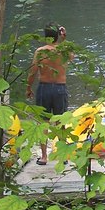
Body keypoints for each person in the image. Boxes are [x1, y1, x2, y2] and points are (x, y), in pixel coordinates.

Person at [27, 23, 74, 165]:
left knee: (43, 123)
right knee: (61, 122)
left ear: (45, 37)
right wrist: (64, 40)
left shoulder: (40, 52)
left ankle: (44, 157)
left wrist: (28, 88)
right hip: (60, 88)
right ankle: (63, 156)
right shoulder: (63, 51)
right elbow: (71, 57)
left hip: (44, 88)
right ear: (57, 36)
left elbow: (33, 72)